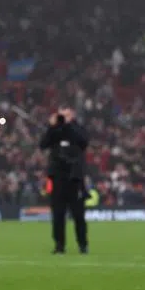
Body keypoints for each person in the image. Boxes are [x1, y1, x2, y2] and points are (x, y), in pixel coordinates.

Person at [39, 108, 89, 254]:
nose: (63, 117)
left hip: (74, 178)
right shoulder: (55, 132)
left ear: (72, 116)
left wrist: (68, 125)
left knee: (78, 215)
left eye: (66, 115)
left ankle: (82, 244)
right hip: (58, 178)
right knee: (58, 215)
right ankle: (59, 245)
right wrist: (52, 126)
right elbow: (43, 144)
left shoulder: (78, 129)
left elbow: (83, 141)